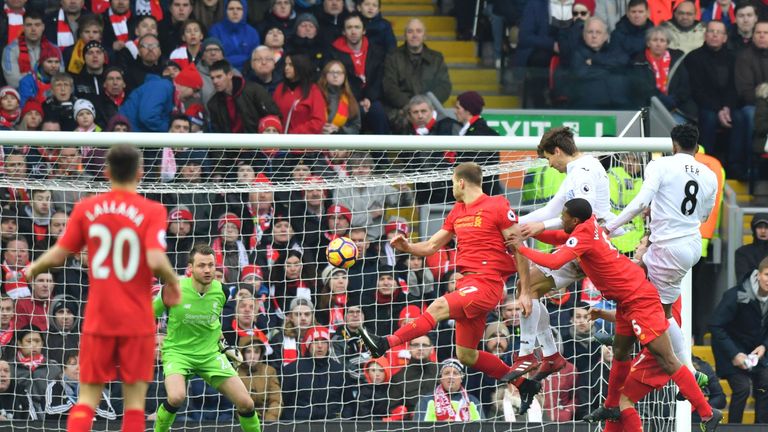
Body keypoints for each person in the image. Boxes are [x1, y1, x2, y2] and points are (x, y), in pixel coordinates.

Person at [509, 198, 721, 430]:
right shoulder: (588, 227)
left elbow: (555, 259)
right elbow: (560, 239)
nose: (561, 220)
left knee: (668, 360)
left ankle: (707, 412)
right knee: (620, 353)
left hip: (639, 301)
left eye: (564, 217)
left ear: (575, 219)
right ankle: (611, 405)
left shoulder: (586, 234)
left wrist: (521, 246)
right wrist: (531, 233)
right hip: (625, 302)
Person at [25, 144, 181, 432]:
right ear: (140, 173)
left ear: (106, 171)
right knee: (134, 405)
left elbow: (61, 253)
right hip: (136, 318)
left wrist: (33, 268)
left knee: (86, 399)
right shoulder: (153, 210)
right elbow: (156, 259)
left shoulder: (87, 208)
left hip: (99, 316)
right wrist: (172, 282)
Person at [358, 162, 531, 384]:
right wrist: (408, 247)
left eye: (452, 183)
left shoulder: (497, 204)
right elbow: (431, 246)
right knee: (466, 355)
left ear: (460, 182)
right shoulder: (457, 211)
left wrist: (524, 291)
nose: (451, 188)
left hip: (487, 283)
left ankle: (385, 343)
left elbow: (520, 249)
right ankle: (523, 384)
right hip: (468, 284)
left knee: (438, 306)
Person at [604, 124, 717, 382]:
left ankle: (685, 368)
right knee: (640, 282)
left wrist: (610, 227)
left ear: (673, 145)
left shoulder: (660, 165)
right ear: (696, 147)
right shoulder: (709, 174)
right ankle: (628, 334)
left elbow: (641, 201)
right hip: (691, 245)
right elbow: (704, 214)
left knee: (655, 306)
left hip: (668, 246)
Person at [511, 126, 615, 382]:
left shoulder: (583, 171)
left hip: (590, 250)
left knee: (529, 286)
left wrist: (537, 229)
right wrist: (515, 222)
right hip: (583, 246)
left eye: (548, 159)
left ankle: (532, 354)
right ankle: (548, 355)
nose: (549, 165)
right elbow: (551, 210)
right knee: (527, 287)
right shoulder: (577, 170)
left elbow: (584, 218)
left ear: (557, 151)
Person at [152, 243, 260, 432]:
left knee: (246, 403)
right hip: (178, 354)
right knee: (176, 397)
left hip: (210, 356)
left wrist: (225, 346)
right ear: (190, 268)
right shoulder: (173, 289)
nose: (208, 270)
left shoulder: (223, 292)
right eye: (202, 265)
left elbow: (212, 323)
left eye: (211, 265)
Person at [709, 256, 768, 424]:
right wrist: (734, 354)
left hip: (755, 353)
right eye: (766, 275)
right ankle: (734, 427)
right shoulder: (735, 295)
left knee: (765, 384)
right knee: (742, 388)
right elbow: (715, 325)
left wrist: (764, 346)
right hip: (728, 351)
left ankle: (761, 428)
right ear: (758, 275)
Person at [416, 358, 484, 421]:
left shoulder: (473, 401)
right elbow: (418, 428)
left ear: (461, 378)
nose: (451, 377)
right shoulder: (426, 400)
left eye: (455, 373)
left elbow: (483, 428)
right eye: (446, 373)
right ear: (440, 378)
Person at [734, 213, 768, 282]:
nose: (763, 231)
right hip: (752, 292)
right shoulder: (742, 252)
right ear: (754, 229)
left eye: (767, 227)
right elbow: (743, 280)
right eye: (759, 227)